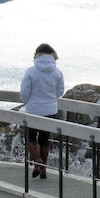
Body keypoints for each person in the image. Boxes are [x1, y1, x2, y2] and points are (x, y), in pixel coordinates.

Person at [20, 43, 65, 179]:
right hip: (50, 110)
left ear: (37, 55)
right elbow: (60, 92)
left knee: (31, 138)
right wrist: (50, 99)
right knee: (44, 140)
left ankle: (37, 161)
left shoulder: (31, 71)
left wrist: (25, 101)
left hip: (33, 110)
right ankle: (43, 169)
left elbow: (24, 92)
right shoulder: (57, 72)